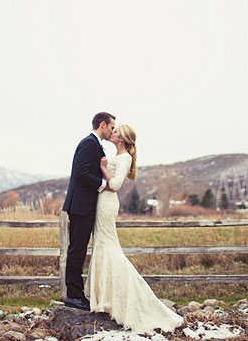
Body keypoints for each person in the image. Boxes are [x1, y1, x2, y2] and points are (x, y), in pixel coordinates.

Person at [85, 124, 183, 333]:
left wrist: (103, 168)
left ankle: (123, 295)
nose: (113, 132)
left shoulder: (125, 158)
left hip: (107, 202)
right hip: (102, 201)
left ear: (122, 138)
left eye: (117, 131)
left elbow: (117, 184)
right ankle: (105, 297)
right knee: (102, 245)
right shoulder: (117, 155)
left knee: (108, 247)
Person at [62, 112, 116, 311]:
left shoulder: (95, 144)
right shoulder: (89, 144)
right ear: (102, 124)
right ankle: (73, 296)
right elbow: (81, 173)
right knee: (77, 250)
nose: (112, 131)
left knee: (79, 249)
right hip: (81, 206)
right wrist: (104, 185)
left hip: (84, 206)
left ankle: (76, 294)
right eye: (111, 127)